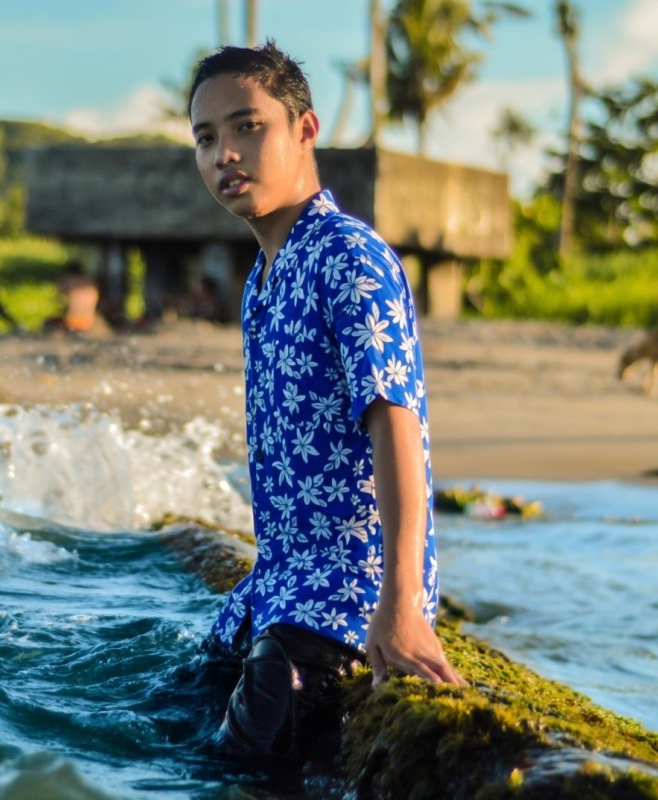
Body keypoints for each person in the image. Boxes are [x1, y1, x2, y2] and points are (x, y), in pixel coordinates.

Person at [187, 41, 466, 763]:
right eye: (207, 137)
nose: (227, 154)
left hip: (343, 598)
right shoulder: (263, 278)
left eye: (249, 127)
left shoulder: (349, 255)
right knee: (163, 722)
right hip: (278, 586)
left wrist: (400, 607)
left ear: (306, 129)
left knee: (234, 770)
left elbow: (395, 422)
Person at [42, 261, 101, 334]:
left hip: (71, 321)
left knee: (48, 323)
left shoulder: (66, 280)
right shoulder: (90, 282)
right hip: (89, 322)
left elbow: (57, 300)